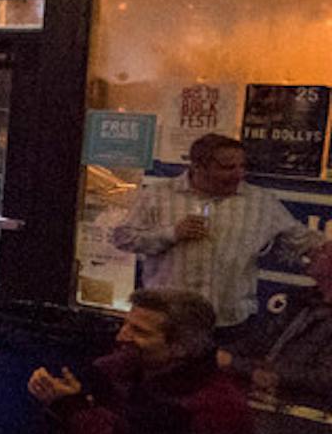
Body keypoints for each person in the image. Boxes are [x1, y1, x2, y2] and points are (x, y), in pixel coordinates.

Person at [28, 287, 249, 434]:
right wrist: (58, 403)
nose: (121, 336)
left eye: (139, 331)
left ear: (181, 347)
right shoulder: (114, 370)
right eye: (125, 325)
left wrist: (75, 409)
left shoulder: (217, 408)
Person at [110, 132, 323, 341]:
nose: (238, 174)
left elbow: (302, 240)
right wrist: (171, 234)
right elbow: (123, 238)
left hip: (230, 322)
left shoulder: (260, 202)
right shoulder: (159, 195)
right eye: (227, 168)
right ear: (197, 166)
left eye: (242, 166)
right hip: (168, 321)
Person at [235, 240, 332, 402]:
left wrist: (272, 375)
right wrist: (225, 356)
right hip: (266, 395)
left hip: (304, 406)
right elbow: (260, 340)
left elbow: (324, 378)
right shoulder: (302, 299)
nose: (312, 253)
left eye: (322, 251)